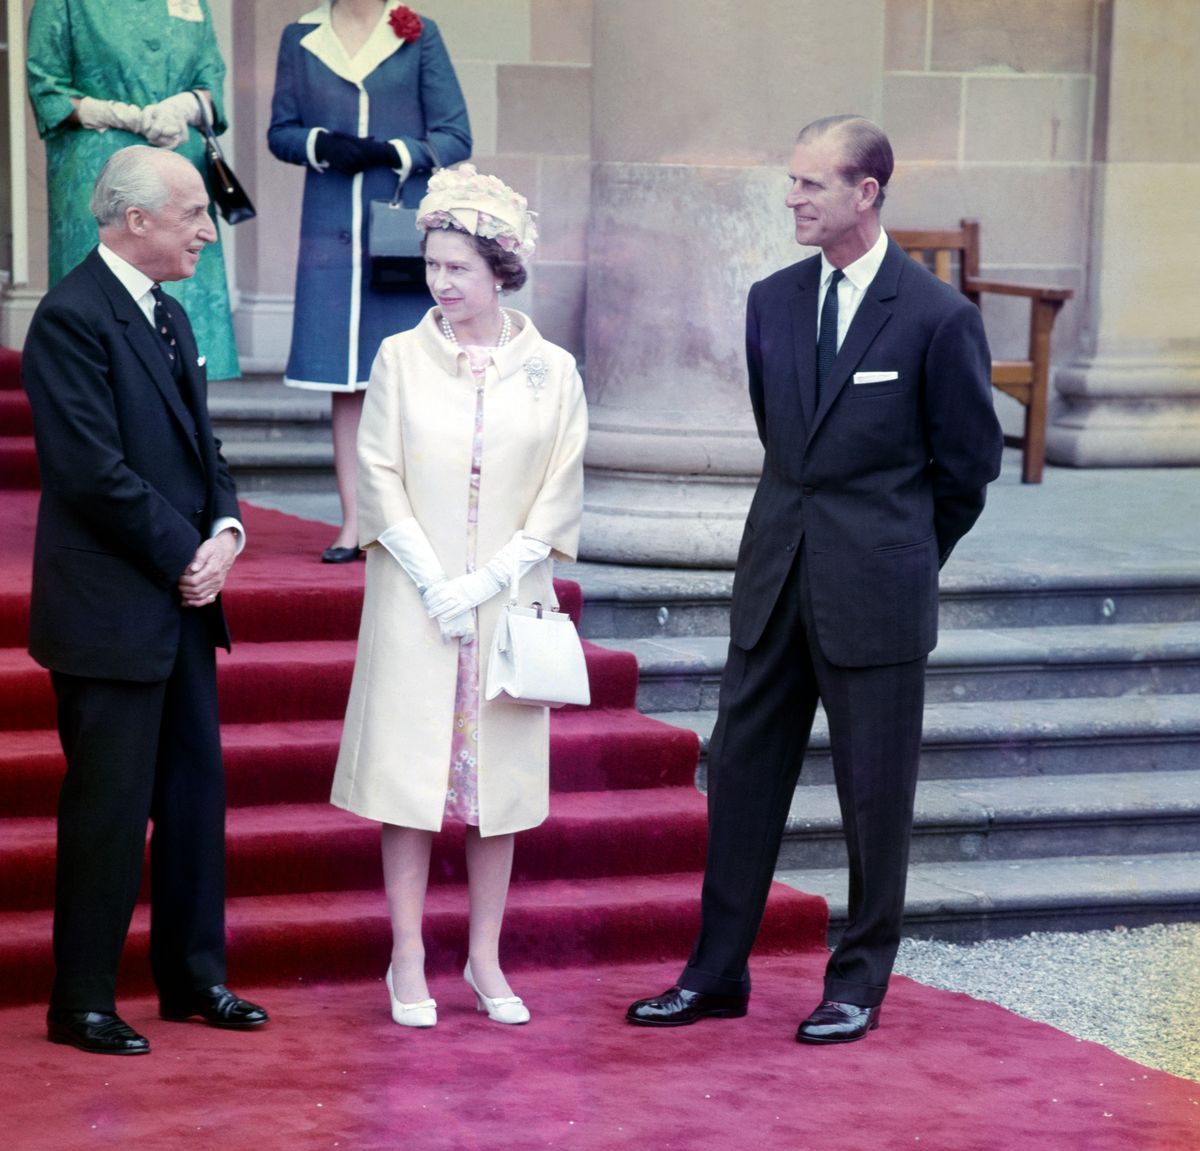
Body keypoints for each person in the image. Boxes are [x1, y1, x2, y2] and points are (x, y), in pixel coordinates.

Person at [627, 115, 1004, 1044]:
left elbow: (967, 470)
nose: (791, 198)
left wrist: (899, 555)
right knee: (741, 781)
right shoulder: (773, 300)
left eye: (810, 184)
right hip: (772, 584)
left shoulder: (937, 317)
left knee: (876, 801)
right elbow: (781, 438)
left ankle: (858, 983)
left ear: (866, 193)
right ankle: (716, 974)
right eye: (790, 182)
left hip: (875, 595)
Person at [22, 146, 267, 1056]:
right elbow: (89, 473)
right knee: (109, 811)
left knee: (195, 801)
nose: (209, 229)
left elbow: (204, 452)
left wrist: (228, 533)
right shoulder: (71, 317)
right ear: (135, 221)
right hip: (109, 610)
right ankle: (81, 999)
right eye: (194, 213)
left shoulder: (168, 311)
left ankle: (195, 979)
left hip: (182, 603)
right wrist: (185, 555)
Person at [330, 164, 587, 1028]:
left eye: (458, 269)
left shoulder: (552, 371)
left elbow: (558, 491)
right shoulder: (401, 357)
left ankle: (483, 956)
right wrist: (435, 580)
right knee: (409, 780)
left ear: (500, 271)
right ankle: (407, 954)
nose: (440, 282)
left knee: (497, 791)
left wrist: (486, 579)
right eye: (433, 265)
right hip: (415, 600)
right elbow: (379, 472)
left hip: (506, 602)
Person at [267, 2, 472, 563]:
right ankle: (354, 522)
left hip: (397, 229)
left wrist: (394, 151)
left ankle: (415, 520)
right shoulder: (300, 35)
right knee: (345, 378)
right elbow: (280, 132)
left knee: (409, 374)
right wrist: (321, 145)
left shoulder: (419, 32)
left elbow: (455, 134)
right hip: (328, 232)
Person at [26, 0, 241, 380]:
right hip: (99, 170)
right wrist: (114, 113)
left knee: (180, 313)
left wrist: (182, 107)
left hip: (177, 161)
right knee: (106, 312)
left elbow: (212, 83)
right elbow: (47, 89)